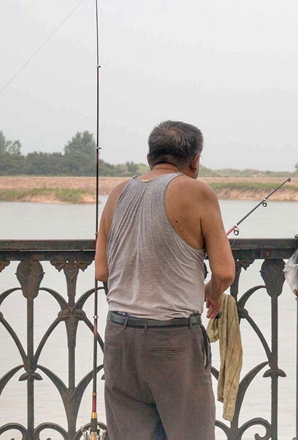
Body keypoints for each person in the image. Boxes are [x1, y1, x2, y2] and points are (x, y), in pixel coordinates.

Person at [95, 120, 235, 440]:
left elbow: (102, 271)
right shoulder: (197, 191)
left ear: (150, 157)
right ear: (195, 160)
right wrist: (210, 292)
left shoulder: (118, 192)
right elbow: (224, 272)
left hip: (119, 335)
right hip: (172, 339)